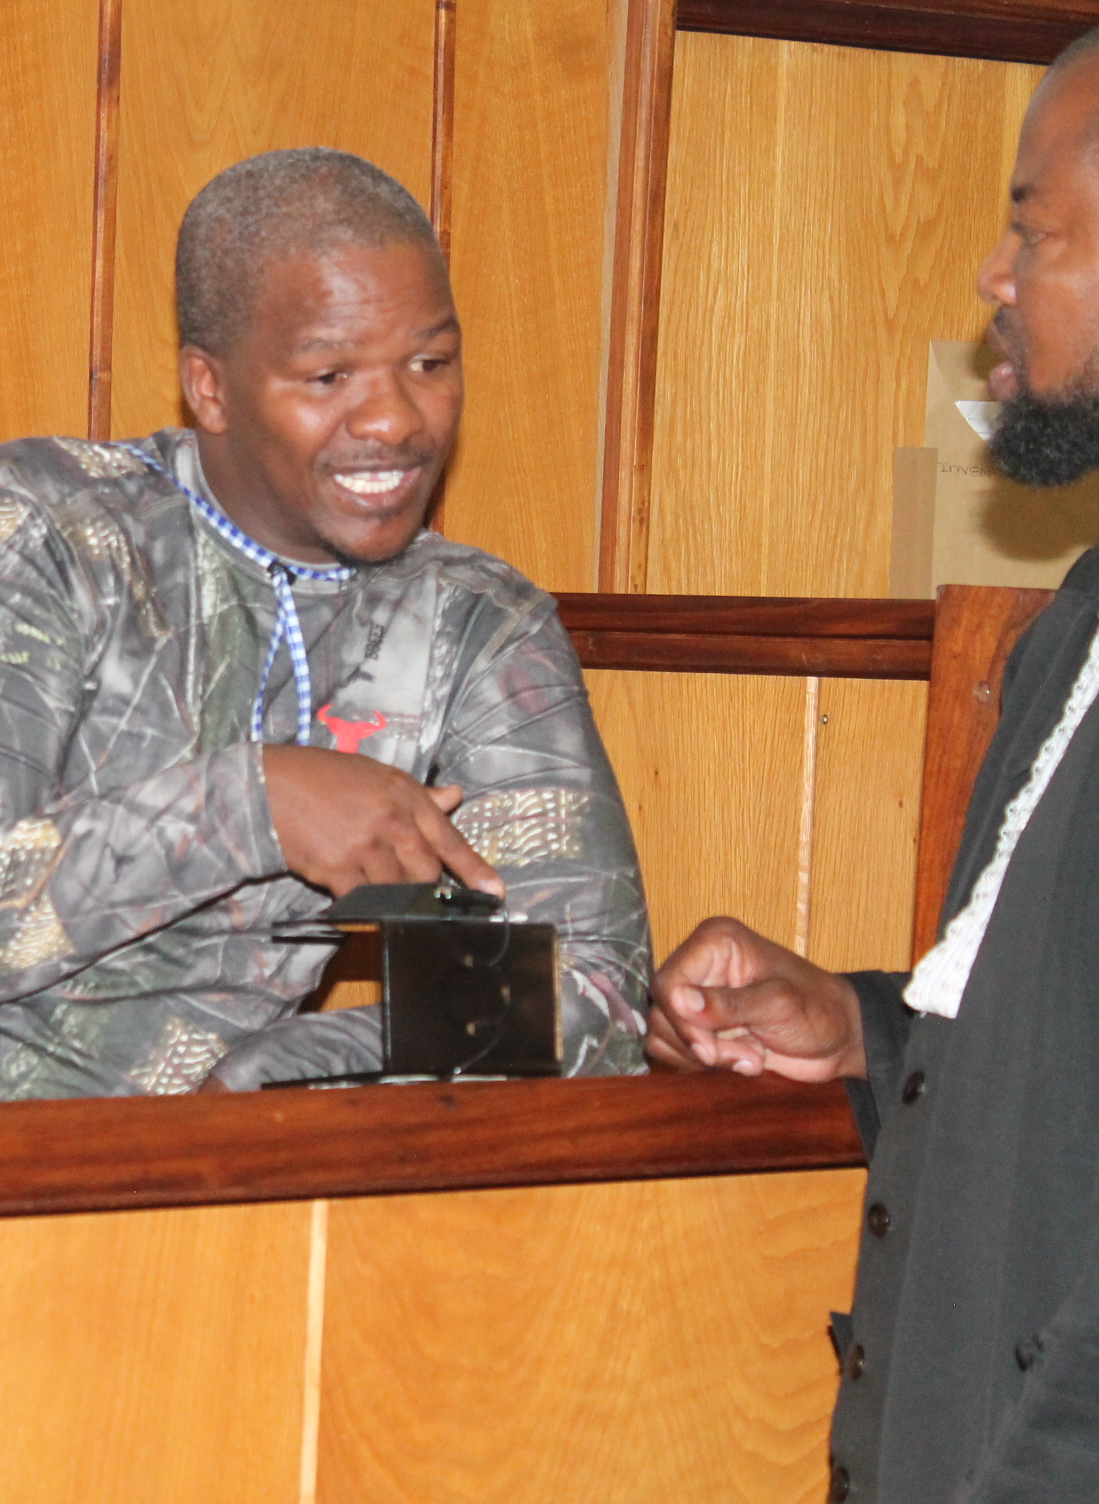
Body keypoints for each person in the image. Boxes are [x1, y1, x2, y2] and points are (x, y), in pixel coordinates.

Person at [0, 147, 649, 1116]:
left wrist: (265, 1079)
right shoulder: (41, 526)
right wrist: (251, 802)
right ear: (211, 387)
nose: (396, 419)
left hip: (117, 1180)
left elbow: (581, 991)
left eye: (429, 362)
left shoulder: (478, 626)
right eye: (329, 377)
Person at [645, 34, 1099, 1504]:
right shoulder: (1075, 626)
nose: (993, 273)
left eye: (1034, 229)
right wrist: (856, 1026)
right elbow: (1058, 1073)